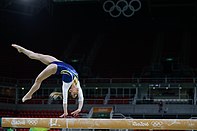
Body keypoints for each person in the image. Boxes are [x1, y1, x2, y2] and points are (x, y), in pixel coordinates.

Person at [11, 44, 84, 118]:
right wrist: (79, 109)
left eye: (75, 94)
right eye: (77, 93)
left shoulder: (67, 83)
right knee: (37, 56)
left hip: (55, 67)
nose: (77, 91)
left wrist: (65, 112)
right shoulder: (77, 84)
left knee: (38, 79)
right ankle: (22, 49)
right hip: (58, 62)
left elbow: (65, 99)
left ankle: (29, 95)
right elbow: (81, 98)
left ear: (70, 90)